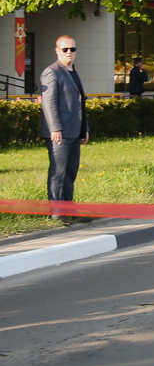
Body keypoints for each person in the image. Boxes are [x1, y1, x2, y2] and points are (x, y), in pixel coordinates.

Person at [40, 35, 90, 226]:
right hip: (59, 133)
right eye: (65, 49)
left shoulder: (73, 72)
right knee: (58, 172)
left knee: (70, 172)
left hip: (75, 132)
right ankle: (56, 212)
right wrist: (55, 128)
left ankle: (69, 210)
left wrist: (84, 128)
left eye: (72, 49)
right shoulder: (51, 72)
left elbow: (80, 104)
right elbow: (49, 103)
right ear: (57, 51)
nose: (69, 52)